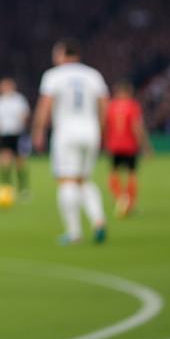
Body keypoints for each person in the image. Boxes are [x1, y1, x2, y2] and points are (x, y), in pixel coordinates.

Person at [31, 40, 109, 245]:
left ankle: (74, 233)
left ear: (62, 55)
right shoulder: (93, 75)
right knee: (84, 179)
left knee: (66, 180)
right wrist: (101, 130)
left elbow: (45, 104)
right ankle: (98, 220)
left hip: (66, 132)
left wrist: (39, 130)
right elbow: (103, 104)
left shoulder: (53, 76)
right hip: (91, 131)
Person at [104, 80, 151, 217]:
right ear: (128, 92)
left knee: (114, 173)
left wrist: (106, 142)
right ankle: (129, 202)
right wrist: (146, 147)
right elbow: (137, 127)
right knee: (131, 173)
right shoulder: (132, 106)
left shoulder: (110, 106)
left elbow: (105, 126)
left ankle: (120, 198)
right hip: (129, 145)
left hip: (114, 145)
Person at [0, 77, 31, 198]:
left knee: (20, 162)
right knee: (3, 162)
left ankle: (23, 189)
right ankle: (6, 188)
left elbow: (25, 115)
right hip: (3, 134)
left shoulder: (19, 100)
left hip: (17, 133)